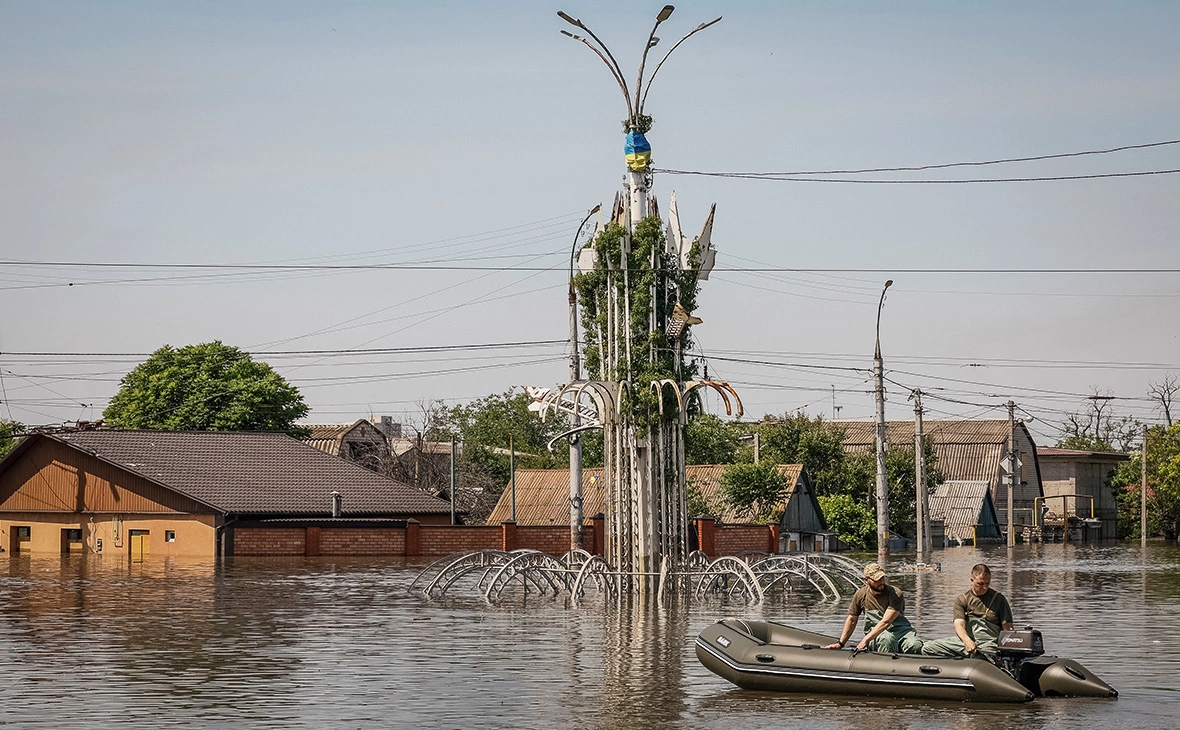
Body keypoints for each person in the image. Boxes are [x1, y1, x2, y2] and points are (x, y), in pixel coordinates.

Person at [824, 562, 924, 654]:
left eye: (882, 578)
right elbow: (852, 619)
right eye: (877, 579)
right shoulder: (861, 595)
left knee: (915, 645)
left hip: (901, 631)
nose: (881, 582)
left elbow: (886, 621)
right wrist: (841, 643)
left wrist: (864, 641)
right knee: (887, 639)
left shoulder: (895, 593)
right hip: (877, 635)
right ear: (866, 580)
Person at [922, 563, 1014, 658]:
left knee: (983, 656)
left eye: (987, 583)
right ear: (972, 580)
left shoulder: (999, 599)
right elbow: (959, 625)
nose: (985, 587)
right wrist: (967, 641)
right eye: (980, 584)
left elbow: (1008, 629)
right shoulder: (962, 599)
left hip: (989, 643)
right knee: (928, 648)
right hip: (966, 641)